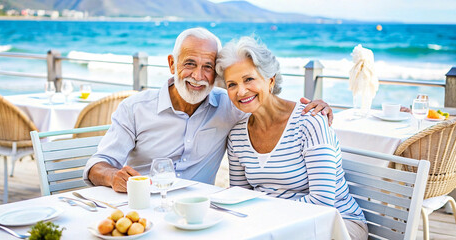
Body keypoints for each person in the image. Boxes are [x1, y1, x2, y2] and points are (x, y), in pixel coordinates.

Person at [83, 27, 333, 193]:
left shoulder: (231, 105)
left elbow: (263, 99)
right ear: (172, 64)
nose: (198, 76)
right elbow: (98, 164)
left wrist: (315, 106)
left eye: (208, 67)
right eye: (189, 63)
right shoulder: (135, 108)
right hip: (141, 207)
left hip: (198, 213)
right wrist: (112, 176)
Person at [216, 36, 368, 239]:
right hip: (276, 226)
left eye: (249, 79)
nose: (241, 91)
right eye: (231, 84)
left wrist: (264, 212)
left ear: (270, 80)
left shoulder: (310, 121)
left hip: (336, 224)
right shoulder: (236, 137)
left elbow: (322, 203)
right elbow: (239, 197)